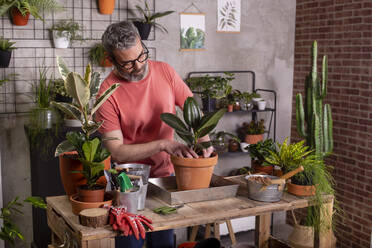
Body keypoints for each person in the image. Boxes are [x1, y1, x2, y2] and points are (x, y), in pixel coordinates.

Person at [96, 21, 213, 248]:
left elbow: (193, 111)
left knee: (164, 244)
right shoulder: (107, 92)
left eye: (141, 56)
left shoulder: (165, 71)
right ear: (110, 60)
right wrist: (163, 145)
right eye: (128, 63)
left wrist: (205, 142)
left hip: (165, 178)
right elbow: (116, 151)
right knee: (130, 244)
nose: (139, 66)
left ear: (142, 45)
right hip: (127, 184)